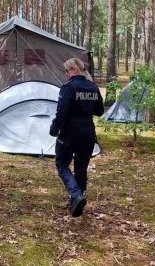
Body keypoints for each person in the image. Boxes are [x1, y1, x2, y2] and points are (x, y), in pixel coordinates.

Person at [49, 58, 104, 217]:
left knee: (62, 164)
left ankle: (76, 195)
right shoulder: (93, 87)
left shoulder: (69, 87)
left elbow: (62, 113)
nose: (66, 74)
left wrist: (54, 130)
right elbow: (100, 111)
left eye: (66, 71)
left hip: (69, 132)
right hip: (87, 132)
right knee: (81, 167)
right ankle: (77, 201)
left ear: (73, 69)